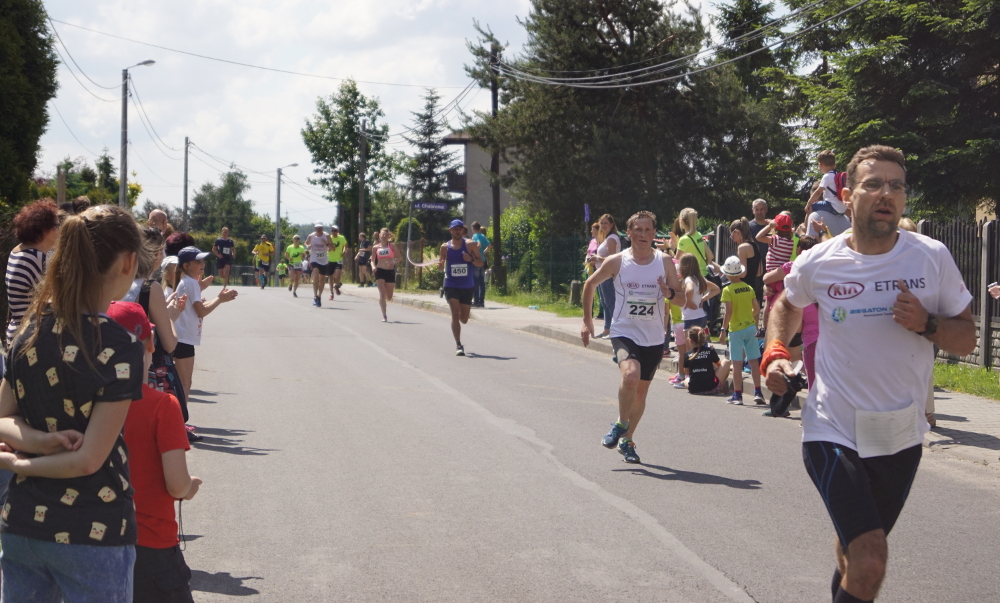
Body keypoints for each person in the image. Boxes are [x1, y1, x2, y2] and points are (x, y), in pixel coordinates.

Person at [764, 145, 975, 603]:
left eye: (896, 186)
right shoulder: (820, 261)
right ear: (846, 192)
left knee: (855, 550)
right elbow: (786, 305)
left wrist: (929, 323)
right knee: (872, 556)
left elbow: (968, 338)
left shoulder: (930, 257)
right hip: (833, 426)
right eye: (873, 184)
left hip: (900, 433)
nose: (887, 194)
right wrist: (776, 351)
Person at [0, 205, 145, 601]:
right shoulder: (120, 346)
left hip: (22, 525)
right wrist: (24, 459)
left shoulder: (28, 330)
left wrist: (33, 444)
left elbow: (2, 419)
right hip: (93, 529)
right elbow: (87, 460)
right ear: (129, 262)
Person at [103, 302, 201, 603]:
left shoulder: (84, 401)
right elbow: (176, 483)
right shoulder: (162, 406)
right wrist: (189, 487)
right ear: (149, 345)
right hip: (151, 543)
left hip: (96, 542)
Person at [582, 211, 682, 464]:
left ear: (653, 234)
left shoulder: (665, 262)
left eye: (648, 230)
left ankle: (627, 440)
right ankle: (620, 423)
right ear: (629, 233)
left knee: (640, 393)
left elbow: (682, 299)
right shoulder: (617, 261)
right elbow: (589, 285)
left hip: (654, 336)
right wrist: (587, 321)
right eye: (638, 229)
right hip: (624, 331)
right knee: (630, 376)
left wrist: (668, 292)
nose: (643, 235)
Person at [172, 247, 239, 405]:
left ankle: (179, 420)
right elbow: (201, 311)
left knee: (182, 382)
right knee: (184, 382)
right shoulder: (191, 283)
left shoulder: (189, 282)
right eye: (198, 261)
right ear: (186, 266)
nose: (202, 264)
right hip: (184, 339)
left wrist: (220, 299)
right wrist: (219, 300)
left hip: (181, 338)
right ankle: (181, 421)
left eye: (203, 261)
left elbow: (196, 309)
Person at [6, 199, 60, 346]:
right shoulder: (35, 257)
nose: (60, 230)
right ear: (44, 230)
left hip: (17, 333)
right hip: (29, 338)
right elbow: (56, 298)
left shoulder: (18, 250)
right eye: (57, 225)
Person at [718, 256, 763, 405]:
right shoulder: (748, 288)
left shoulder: (727, 290)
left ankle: (738, 395)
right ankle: (758, 392)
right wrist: (748, 315)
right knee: (754, 361)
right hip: (750, 327)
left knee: (736, 364)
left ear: (728, 274)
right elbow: (757, 309)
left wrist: (723, 329)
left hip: (736, 329)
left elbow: (728, 312)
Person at [674, 254, 720, 390]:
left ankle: (689, 378)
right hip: (701, 316)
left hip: (690, 318)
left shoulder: (688, 279)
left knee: (691, 351)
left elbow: (689, 290)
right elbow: (716, 289)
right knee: (701, 347)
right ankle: (703, 374)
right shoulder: (699, 278)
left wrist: (688, 302)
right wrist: (703, 299)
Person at [440, 219, 483, 356]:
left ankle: (461, 321)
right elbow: (441, 264)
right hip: (451, 284)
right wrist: (440, 266)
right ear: (450, 230)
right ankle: (458, 345)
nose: (457, 231)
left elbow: (480, 263)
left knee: (464, 319)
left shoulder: (469, 245)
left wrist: (470, 259)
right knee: (455, 313)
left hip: (467, 285)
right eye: (455, 229)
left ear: (462, 230)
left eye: (459, 229)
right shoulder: (445, 247)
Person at [806, 150, 853, 238]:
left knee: (811, 207)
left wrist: (809, 203)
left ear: (820, 165)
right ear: (834, 164)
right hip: (842, 208)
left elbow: (818, 192)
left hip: (832, 206)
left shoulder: (827, 176)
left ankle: (807, 230)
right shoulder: (837, 175)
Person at [594, 214, 621, 338]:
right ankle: (607, 329)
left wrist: (597, 258)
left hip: (608, 275)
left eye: (606, 223)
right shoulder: (606, 238)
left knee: (611, 302)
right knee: (605, 302)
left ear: (611, 225)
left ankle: (616, 330)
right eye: (602, 223)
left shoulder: (611, 239)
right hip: (602, 274)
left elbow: (612, 259)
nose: (603, 226)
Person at [684, 326, 732, 395]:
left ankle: (695, 384)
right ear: (704, 339)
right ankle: (720, 385)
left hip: (694, 389)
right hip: (711, 388)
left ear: (690, 340)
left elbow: (687, 372)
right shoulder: (710, 350)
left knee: (686, 379)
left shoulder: (687, 354)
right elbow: (719, 365)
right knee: (726, 362)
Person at [730, 217, 764, 304]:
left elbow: (743, 273)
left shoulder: (742, 247)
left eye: (732, 237)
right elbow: (760, 271)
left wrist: (729, 274)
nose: (734, 240)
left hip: (745, 290)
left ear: (736, 232)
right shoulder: (755, 245)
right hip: (756, 289)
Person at [371, 228, 401, 322]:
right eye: (383, 234)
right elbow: (372, 261)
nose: (384, 236)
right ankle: (384, 315)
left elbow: (400, 257)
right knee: (382, 293)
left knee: (389, 296)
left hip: (390, 271)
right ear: (379, 235)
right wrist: (373, 267)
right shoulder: (375, 247)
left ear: (388, 237)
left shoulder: (392, 246)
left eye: (386, 235)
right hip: (379, 270)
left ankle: (386, 301)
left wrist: (393, 262)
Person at [306, 223, 331, 307]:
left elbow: (332, 248)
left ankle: (319, 296)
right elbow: (306, 243)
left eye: (320, 228)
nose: (319, 229)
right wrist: (308, 246)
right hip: (314, 259)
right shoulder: (311, 236)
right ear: (315, 228)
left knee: (322, 279)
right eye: (317, 228)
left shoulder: (327, 236)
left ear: (322, 228)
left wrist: (326, 244)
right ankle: (314, 296)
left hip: (323, 260)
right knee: (316, 276)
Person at [471, 222, 492, 307]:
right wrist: (483, 252)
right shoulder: (483, 236)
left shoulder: (475, 236)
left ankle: (476, 301)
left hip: (476, 260)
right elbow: (490, 246)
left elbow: (478, 244)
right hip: (483, 261)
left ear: (473, 228)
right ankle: (482, 301)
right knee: (482, 282)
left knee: (476, 281)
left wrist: (476, 252)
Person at [326, 226, 348, 300]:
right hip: (330, 259)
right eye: (332, 231)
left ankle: (337, 285)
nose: (333, 232)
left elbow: (345, 245)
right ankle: (331, 293)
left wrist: (344, 251)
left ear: (338, 231)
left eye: (335, 230)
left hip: (339, 259)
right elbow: (325, 246)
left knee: (338, 274)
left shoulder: (341, 238)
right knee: (331, 277)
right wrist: (328, 249)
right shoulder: (329, 238)